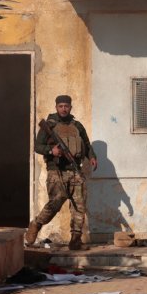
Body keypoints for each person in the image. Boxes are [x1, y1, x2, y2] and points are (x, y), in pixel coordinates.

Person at [27, 95, 97, 250]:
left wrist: (92, 157)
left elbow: (86, 143)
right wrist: (51, 150)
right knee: (56, 202)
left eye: (66, 106)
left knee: (79, 205)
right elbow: (38, 146)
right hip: (56, 170)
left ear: (71, 107)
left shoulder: (77, 125)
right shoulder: (49, 125)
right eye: (61, 106)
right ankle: (36, 224)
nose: (64, 109)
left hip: (75, 169)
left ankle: (75, 240)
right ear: (56, 107)